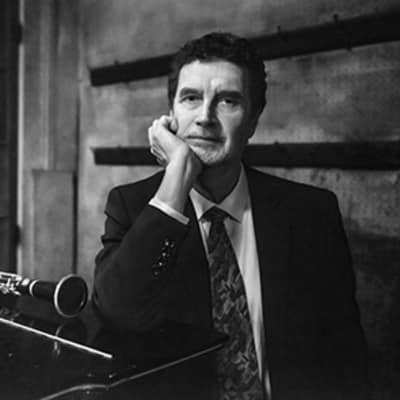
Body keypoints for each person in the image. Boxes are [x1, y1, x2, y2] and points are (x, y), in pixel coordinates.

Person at [93, 32, 369, 399]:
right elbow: (117, 314)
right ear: (171, 114)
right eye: (191, 98)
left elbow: (346, 358)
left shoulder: (312, 213)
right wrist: (178, 175)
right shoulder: (131, 206)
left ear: (253, 121)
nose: (205, 117)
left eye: (228, 101)